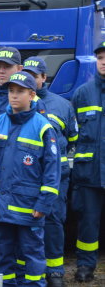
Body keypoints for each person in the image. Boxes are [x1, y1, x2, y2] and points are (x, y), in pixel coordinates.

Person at [0, 71, 60, 286]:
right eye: (11, 91)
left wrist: (44, 203)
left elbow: (52, 171)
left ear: (32, 94)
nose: (14, 95)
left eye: (20, 92)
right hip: (0, 207)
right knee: (3, 256)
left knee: (32, 257)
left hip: (29, 209)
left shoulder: (43, 127)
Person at [22, 57, 78, 286]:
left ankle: (54, 271)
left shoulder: (62, 105)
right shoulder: (17, 104)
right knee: (26, 222)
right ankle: (30, 269)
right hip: (27, 176)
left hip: (56, 176)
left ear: (44, 78)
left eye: (35, 76)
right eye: (26, 74)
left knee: (53, 221)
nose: (31, 80)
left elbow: (74, 138)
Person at [70, 41, 105, 283]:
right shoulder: (82, 93)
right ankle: (85, 265)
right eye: (100, 58)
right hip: (89, 172)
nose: (104, 62)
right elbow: (72, 134)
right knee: (88, 223)